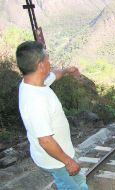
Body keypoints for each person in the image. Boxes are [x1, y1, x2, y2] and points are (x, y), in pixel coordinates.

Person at [16, 41, 88, 190]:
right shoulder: (36, 100)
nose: (50, 62)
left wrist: (67, 70)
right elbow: (45, 141)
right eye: (48, 58)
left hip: (61, 153)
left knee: (78, 181)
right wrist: (68, 162)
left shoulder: (34, 82)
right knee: (69, 186)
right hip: (56, 160)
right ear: (40, 65)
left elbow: (54, 75)